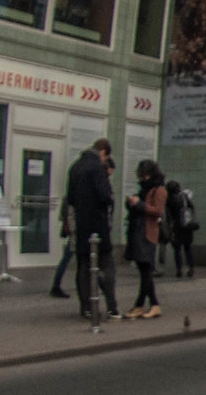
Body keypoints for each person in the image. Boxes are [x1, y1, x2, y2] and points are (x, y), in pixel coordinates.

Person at [66, 137, 116, 319]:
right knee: (107, 265)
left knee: (83, 267)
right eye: (106, 157)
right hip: (98, 225)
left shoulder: (75, 167)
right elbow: (105, 196)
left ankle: (85, 307)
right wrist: (110, 199)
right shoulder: (97, 168)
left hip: (81, 225)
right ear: (103, 152)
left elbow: (70, 198)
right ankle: (112, 307)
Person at [124, 160, 167, 320]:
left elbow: (158, 211)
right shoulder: (143, 188)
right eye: (142, 175)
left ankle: (140, 305)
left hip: (148, 233)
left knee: (146, 270)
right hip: (137, 231)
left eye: (146, 175)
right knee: (144, 270)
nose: (143, 178)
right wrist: (131, 203)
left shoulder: (159, 190)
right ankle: (153, 305)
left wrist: (140, 204)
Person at [166, 178, 198, 278]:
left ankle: (179, 269)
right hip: (187, 226)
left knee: (177, 250)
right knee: (188, 249)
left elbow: (168, 215)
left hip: (176, 227)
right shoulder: (184, 197)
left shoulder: (169, 199)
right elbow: (192, 208)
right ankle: (191, 268)